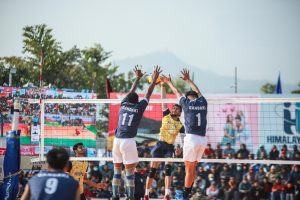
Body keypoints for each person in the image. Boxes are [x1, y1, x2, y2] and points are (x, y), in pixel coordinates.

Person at [112, 66, 161, 200]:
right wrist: (154, 80)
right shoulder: (139, 107)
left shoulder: (123, 104)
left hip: (117, 140)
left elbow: (131, 91)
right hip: (128, 141)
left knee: (117, 172)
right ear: (136, 101)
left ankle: (115, 196)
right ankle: (130, 197)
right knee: (130, 172)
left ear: (127, 99)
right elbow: (148, 94)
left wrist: (138, 78)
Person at [163, 68, 207, 199]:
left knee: (189, 169)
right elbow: (198, 91)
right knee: (193, 168)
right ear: (197, 97)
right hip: (202, 140)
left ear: (188, 97)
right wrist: (188, 80)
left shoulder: (186, 103)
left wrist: (169, 82)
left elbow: (176, 92)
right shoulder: (203, 101)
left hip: (192, 138)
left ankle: (186, 195)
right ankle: (189, 192)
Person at [144, 81, 184, 200]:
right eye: (173, 108)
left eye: (176, 109)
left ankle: (166, 194)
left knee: (168, 169)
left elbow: (183, 140)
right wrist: (162, 86)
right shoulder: (166, 115)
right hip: (159, 144)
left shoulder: (181, 125)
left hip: (169, 147)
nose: (174, 110)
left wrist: (180, 149)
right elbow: (164, 100)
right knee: (152, 170)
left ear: (180, 113)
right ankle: (146, 194)